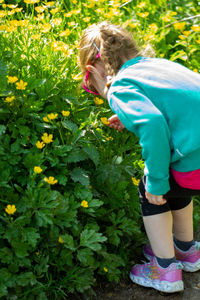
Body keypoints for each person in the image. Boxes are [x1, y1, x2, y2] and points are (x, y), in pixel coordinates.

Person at [78, 21, 200, 293]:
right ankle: (187, 251)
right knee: (176, 175)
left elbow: (154, 124)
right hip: (196, 157)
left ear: (93, 71)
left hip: (196, 165)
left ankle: (165, 270)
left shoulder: (120, 86)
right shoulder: (160, 66)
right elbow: (175, 105)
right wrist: (129, 116)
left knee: (153, 187)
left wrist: (156, 182)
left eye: (89, 84)